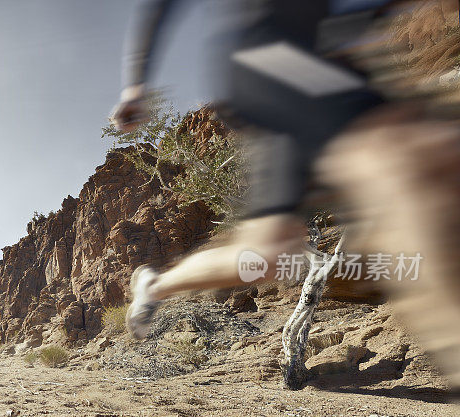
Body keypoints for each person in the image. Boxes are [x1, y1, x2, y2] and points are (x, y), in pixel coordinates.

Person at [111, 0, 460, 387]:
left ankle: (155, 285)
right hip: (266, 58)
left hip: (312, 65)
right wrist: (136, 82)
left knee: (266, 255)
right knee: (404, 157)